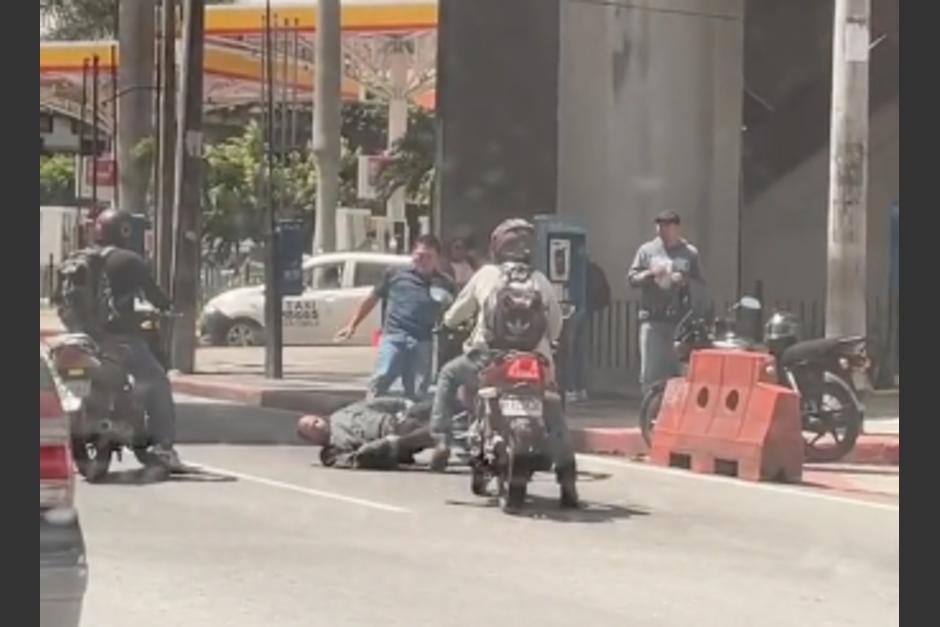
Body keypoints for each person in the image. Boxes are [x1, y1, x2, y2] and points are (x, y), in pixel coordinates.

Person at [428, 218, 578, 507]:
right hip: (536, 361)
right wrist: (548, 348)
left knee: (447, 375)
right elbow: (556, 325)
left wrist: (446, 323)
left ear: (497, 247)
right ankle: (568, 480)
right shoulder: (540, 280)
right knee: (553, 410)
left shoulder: (486, 275)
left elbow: (456, 314)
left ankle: (442, 439)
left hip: (489, 358)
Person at [92, 208, 185, 471]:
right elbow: (154, 295)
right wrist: (168, 307)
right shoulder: (129, 261)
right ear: (124, 231)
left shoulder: (78, 260)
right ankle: (164, 447)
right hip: (118, 339)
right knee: (156, 380)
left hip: (84, 340)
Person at [335, 235, 453, 400]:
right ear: (412, 254)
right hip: (394, 336)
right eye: (419, 255)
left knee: (418, 389)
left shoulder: (444, 283)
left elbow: (454, 312)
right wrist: (352, 325)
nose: (423, 261)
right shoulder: (395, 275)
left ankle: (412, 421)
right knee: (383, 376)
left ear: (437, 259)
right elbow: (371, 299)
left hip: (423, 340)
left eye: (428, 257)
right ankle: (368, 411)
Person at [627, 210, 704, 394]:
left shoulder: (689, 253)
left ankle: (676, 412)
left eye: (667, 226)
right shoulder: (646, 250)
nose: (662, 230)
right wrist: (650, 274)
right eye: (659, 226)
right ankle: (651, 410)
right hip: (652, 319)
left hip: (680, 322)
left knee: (678, 371)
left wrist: (684, 280)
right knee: (650, 372)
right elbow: (632, 279)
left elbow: (701, 285)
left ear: (677, 228)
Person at [296, 397, 435, 469]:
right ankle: (446, 435)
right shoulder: (332, 451)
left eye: (315, 421)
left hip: (396, 419)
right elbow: (357, 459)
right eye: (310, 428)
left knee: (436, 403)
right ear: (312, 439)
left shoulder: (341, 414)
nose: (316, 425)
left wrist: (401, 403)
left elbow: (372, 404)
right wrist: (385, 443)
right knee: (434, 430)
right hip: (392, 440)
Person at [564, 259, 611, 403]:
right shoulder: (586, 263)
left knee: (568, 349)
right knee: (579, 349)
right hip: (584, 307)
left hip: (572, 306)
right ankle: (580, 388)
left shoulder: (571, 263)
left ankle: (570, 387)